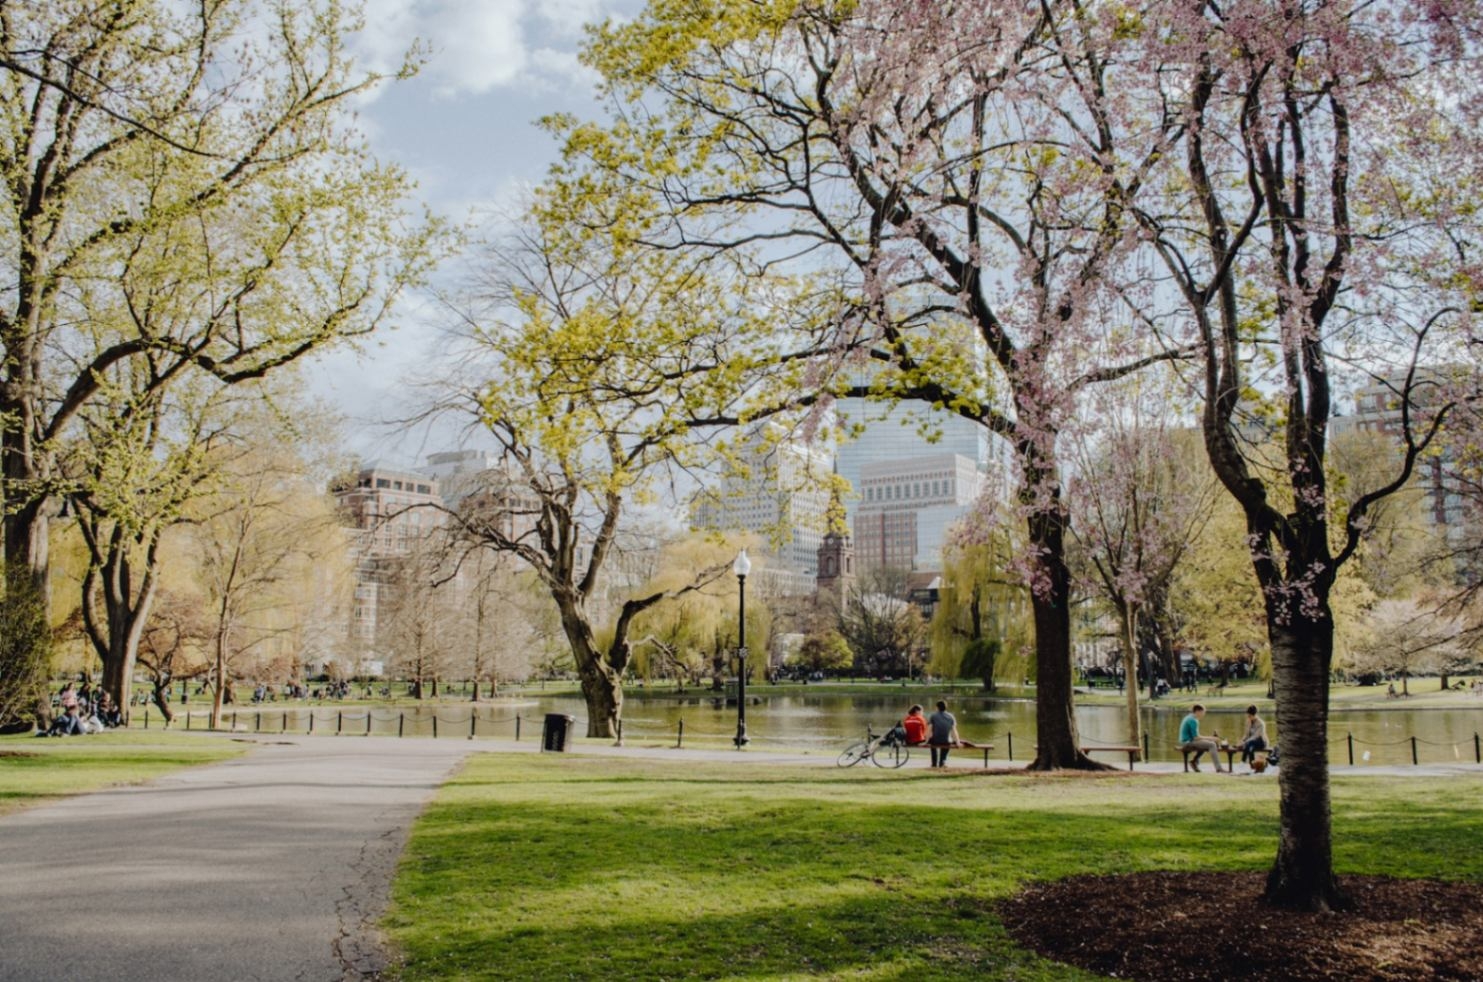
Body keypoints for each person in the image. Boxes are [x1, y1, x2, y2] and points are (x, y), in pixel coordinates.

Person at [1178, 703, 1224, 773]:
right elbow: (1196, 738)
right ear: (1197, 711)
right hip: (1187, 742)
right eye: (1203, 712)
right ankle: (1219, 768)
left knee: (1206, 743)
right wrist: (1212, 738)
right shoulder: (1193, 720)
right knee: (1212, 744)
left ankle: (1194, 761)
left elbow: (1196, 737)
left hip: (1185, 741)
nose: (1204, 714)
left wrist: (1208, 739)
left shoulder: (1189, 717)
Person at [927, 700, 960, 768]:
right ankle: (942, 761)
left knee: (931, 742)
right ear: (946, 707)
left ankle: (934, 763)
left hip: (935, 740)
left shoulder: (933, 716)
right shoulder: (951, 716)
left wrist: (926, 740)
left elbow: (929, 729)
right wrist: (958, 742)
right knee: (948, 740)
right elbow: (954, 731)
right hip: (946, 741)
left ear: (937, 707)